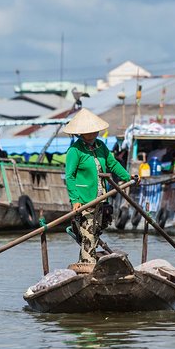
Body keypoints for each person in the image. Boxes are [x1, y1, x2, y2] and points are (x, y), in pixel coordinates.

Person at [64, 108, 131, 264]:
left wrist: (128, 177)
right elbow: (70, 176)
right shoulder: (75, 150)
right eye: (90, 131)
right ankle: (88, 265)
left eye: (95, 130)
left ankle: (85, 263)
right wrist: (75, 199)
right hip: (84, 200)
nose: (95, 133)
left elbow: (112, 164)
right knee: (88, 234)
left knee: (94, 232)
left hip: (101, 198)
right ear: (81, 133)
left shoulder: (100, 146)